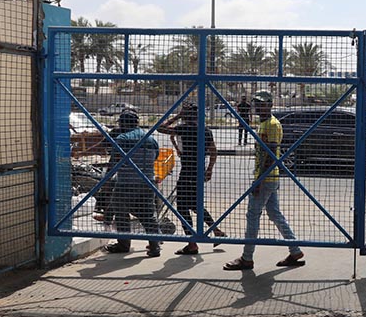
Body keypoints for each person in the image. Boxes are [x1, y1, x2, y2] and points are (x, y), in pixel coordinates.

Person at [224, 91, 304, 270]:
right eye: (257, 104)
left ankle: (247, 258)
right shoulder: (264, 124)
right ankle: (295, 250)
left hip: (266, 177)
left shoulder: (272, 124)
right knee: (274, 214)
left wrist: (259, 181)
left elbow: (271, 154)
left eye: (262, 104)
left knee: (253, 215)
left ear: (270, 105)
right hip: (267, 176)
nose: (258, 107)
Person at [157, 102, 225, 255]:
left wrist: (177, 116)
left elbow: (160, 128)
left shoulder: (184, 128)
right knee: (195, 205)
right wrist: (209, 169)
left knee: (182, 207)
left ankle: (192, 242)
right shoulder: (205, 131)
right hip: (199, 172)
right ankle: (216, 230)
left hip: (187, 172)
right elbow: (214, 151)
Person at [103, 110, 163, 258]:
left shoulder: (122, 138)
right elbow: (155, 157)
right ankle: (154, 246)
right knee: (148, 214)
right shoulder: (151, 139)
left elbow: (114, 161)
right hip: (147, 182)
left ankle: (123, 245)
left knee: (121, 212)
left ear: (123, 124)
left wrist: (106, 181)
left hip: (126, 182)